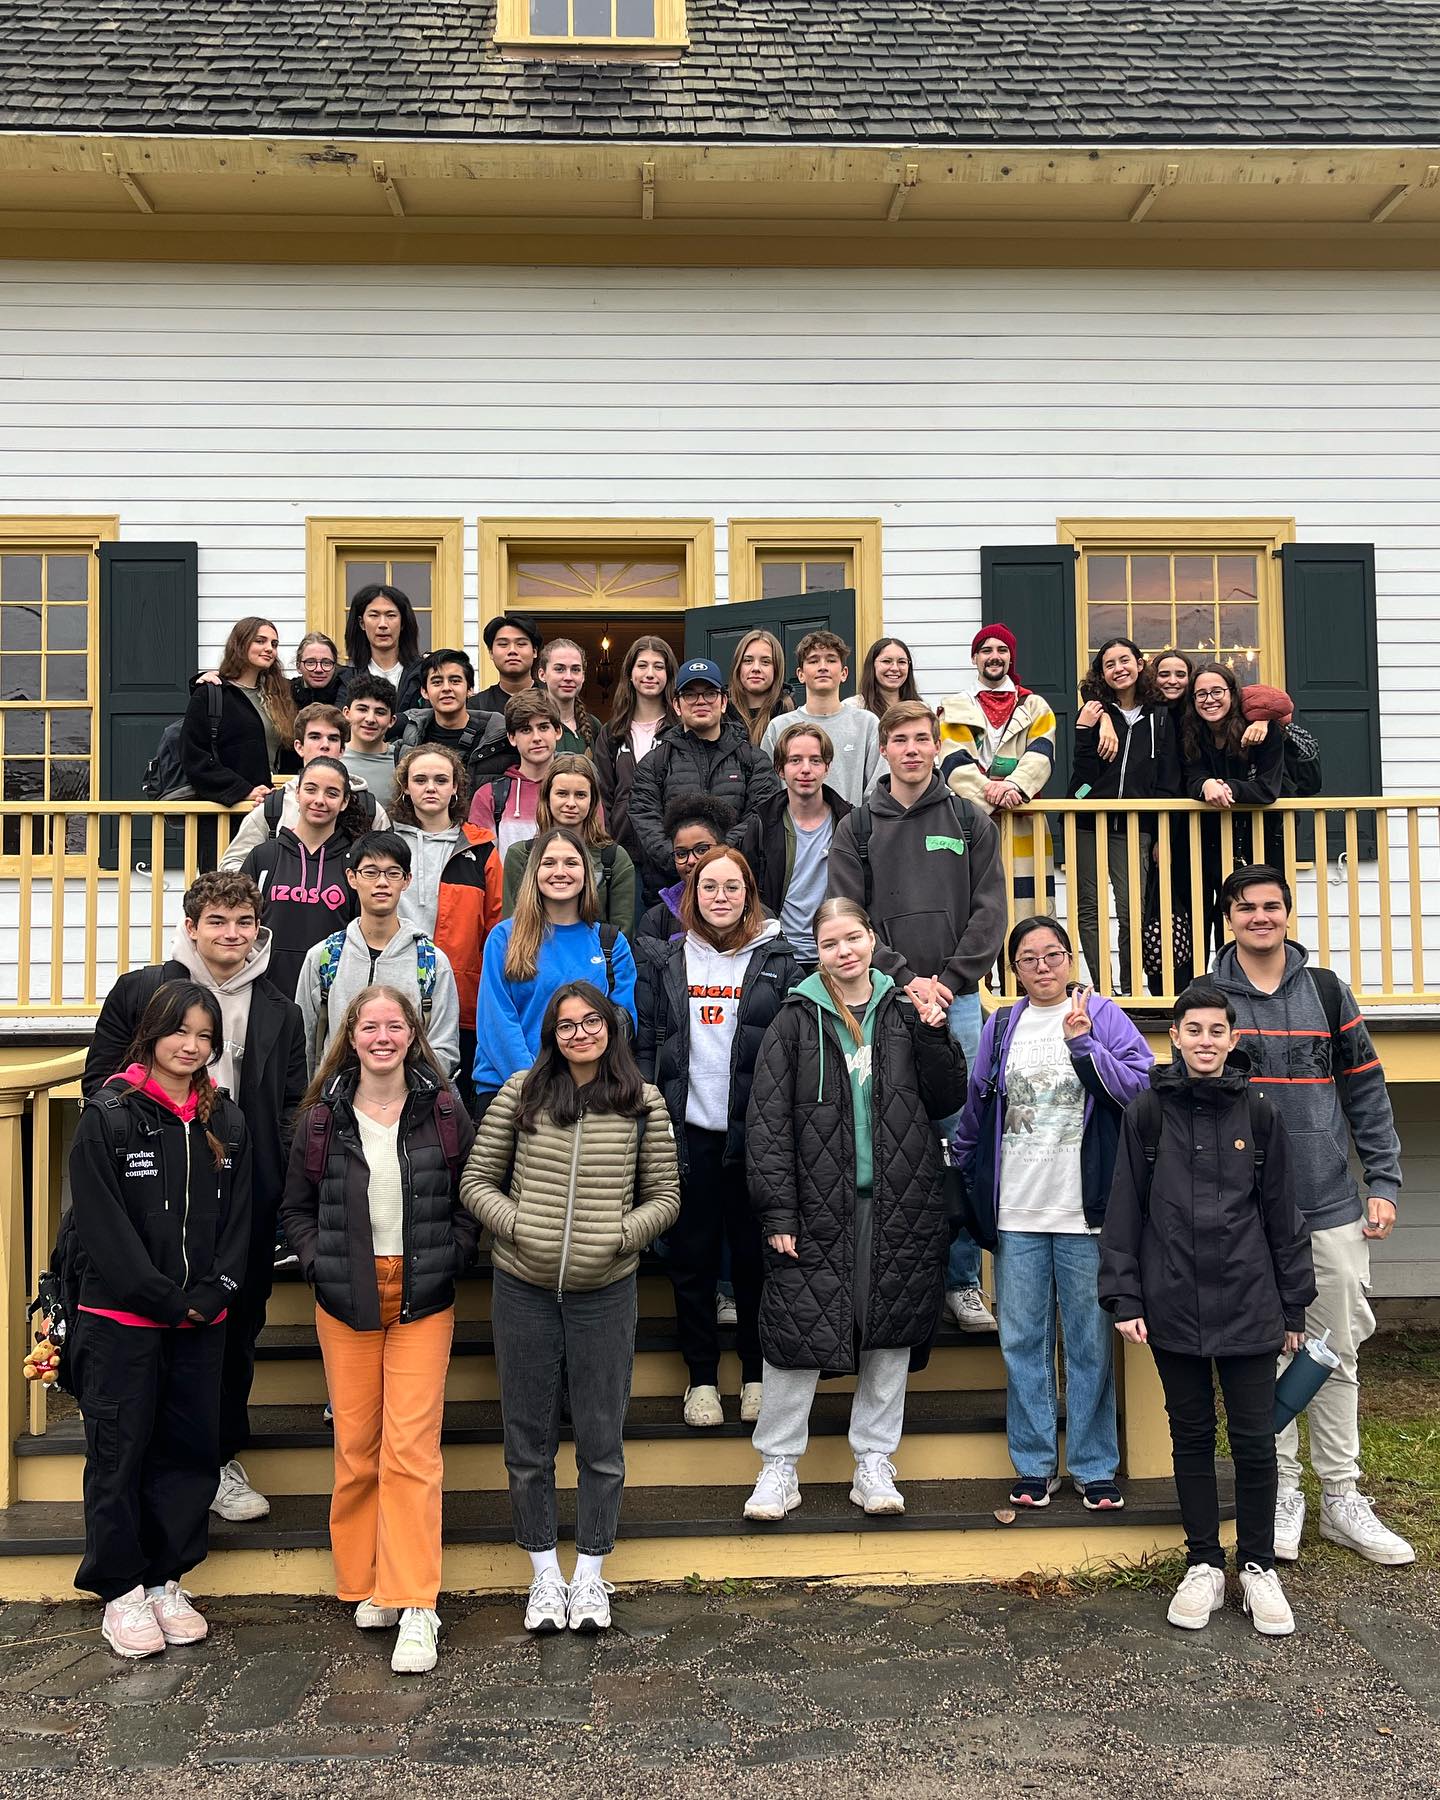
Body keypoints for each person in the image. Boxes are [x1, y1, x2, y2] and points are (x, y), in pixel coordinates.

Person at [82, 874, 304, 1526]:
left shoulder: (279, 1011)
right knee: (143, 1336)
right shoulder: (143, 990)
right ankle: (146, 1462)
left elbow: (292, 1106)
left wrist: (277, 1179)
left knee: (233, 1334)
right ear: (193, 925)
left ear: (257, 927)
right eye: (217, 921)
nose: (231, 934)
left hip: (239, 1198)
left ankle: (217, 1458)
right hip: (149, 1192)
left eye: (243, 921)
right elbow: (100, 1079)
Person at [461, 983, 680, 1634]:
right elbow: (475, 1182)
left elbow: (665, 1196)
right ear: (551, 1034)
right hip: (522, 1287)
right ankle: (544, 1579)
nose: (579, 1034)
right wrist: (519, 1226)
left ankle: (590, 1575)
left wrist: (619, 1236)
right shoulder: (521, 1092)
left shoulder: (644, 1103)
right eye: (565, 1025)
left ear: (612, 1028)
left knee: (601, 1441)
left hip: (606, 1291)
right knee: (527, 1442)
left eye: (591, 1023)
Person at [1210, 866, 1413, 1566]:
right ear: (1228, 917)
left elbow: (1366, 1092)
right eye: (1246, 908)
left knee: (1336, 1349)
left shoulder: (1327, 992)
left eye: (1271, 906)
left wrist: (1382, 1179)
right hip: (1245, 1214)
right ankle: (1283, 1492)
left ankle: (1342, 1496)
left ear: (1288, 914)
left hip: (1328, 1204)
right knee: (1265, 1354)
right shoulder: (1211, 1000)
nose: (1260, 917)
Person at [1100, 984, 1316, 1637]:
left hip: (1251, 1302)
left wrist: (1294, 1305)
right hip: (1172, 1302)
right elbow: (1125, 1212)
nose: (1204, 1041)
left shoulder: (1260, 1114)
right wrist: (1125, 1294)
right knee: (1190, 1436)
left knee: (1254, 1440)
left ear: (1231, 1037)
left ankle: (1255, 1567)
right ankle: (1202, 1564)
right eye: (1192, 1030)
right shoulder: (1147, 1114)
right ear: (1176, 1038)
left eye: (1215, 1030)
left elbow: (1283, 1214)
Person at [741, 898, 965, 1521]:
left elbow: (947, 1097)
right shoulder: (794, 1020)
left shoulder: (903, 1009)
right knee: (795, 1334)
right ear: (818, 949)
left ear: (872, 939)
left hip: (899, 1202)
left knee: (889, 1333)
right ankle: (778, 1467)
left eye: (854, 937)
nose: (845, 951)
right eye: (831, 941)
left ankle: (873, 1459)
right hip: (814, 1208)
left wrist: (933, 1032)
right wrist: (778, 1213)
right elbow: (765, 1126)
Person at [280, 985, 477, 1675]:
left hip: (423, 1290)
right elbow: (296, 1209)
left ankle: (416, 1599)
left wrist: (453, 1254)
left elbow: (469, 1196)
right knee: (357, 1445)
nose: (383, 1036)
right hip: (347, 1293)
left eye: (396, 1025)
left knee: (412, 1448)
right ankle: (368, 1580)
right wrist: (319, 1264)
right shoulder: (321, 1116)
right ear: (351, 1034)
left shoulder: (444, 1108)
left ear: (413, 1034)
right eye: (371, 1026)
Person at [69, 980, 252, 1659]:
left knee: (187, 1453)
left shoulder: (224, 1119)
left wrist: (217, 1289)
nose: (192, 1045)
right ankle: (120, 1591)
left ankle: (166, 1578)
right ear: (152, 1033)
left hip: (202, 1320)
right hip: (123, 1320)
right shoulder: (111, 1114)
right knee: (120, 1455)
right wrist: (161, 1297)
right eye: (181, 1031)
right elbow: (101, 1226)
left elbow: (242, 1218)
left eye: (205, 1035)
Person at [951, 916, 1152, 1511]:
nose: (1043, 966)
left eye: (1053, 954)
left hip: (1084, 1212)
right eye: (1029, 958)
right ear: (1012, 969)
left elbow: (1141, 1089)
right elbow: (977, 1103)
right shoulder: (1002, 1024)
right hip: (1017, 1209)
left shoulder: (1103, 1014)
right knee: (1021, 1340)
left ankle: (1094, 1468)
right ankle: (1035, 1466)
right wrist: (962, 1169)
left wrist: (1084, 1045)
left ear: (1071, 959)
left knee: (1089, 1343)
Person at [827, 700, 1006, 1332]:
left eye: (921, 739)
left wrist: (950, 982)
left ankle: (960, 1282)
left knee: (958, 1139)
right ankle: (882, 1275)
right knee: (882, 1133)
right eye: (898, 739)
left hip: (955, 1005)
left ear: (937, 746)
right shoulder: (857, 826)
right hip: (880, 999)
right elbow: (849, 916)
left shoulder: (967, 819)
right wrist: (904, 978)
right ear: (883, 750)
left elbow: (990, 912)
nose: (910, 749)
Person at [636, 847, 797, 1428]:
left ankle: (755, 1375)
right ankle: (701, 1377)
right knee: (693, 1261)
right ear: (693, 895)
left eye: (733, 887)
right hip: (689, 1134)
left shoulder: (779, 960)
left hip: (756, 1138)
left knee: (754, 1262)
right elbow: (650, 1044)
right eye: (710, 887)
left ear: (749, 893)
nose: (721, 897)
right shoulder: (667, 959)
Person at [472, 826, 637, 1119]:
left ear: (588, 874)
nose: (560, 871)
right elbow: (496, 1022)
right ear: (534, 872)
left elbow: (622, 1023)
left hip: (587, 1093)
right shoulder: (504, 938)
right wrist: (534, 1083)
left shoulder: (610, 943)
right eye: (549, 863)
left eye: (571, 863)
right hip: (510, 1089)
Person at [296, 831, 461, 1079]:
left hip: (409, 1106)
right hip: (335, 1105)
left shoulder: (432, 962)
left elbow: (444, 1047)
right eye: (370, 872)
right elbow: (305, 1043)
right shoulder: (324, 957)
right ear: (352, 878)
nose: (382, 882)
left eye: (393, 873)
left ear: (407, 881)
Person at [1070, 637, 1182, 995]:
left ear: (1138, 663)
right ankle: (1104, 989)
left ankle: (1133, 990)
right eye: (1109, 664)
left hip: (1135, 826)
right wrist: (1089, 727)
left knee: (1131, 909)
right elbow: (1082, 776)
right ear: (1102, 673)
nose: (1118, 669)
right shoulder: (1093, 712)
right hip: (1088, 823)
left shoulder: (1161, 717)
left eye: (1124, 660)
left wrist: (1161, 834)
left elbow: (1168, 780)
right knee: (1089, 908)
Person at [392, 746, 503, 1105]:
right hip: (392, 989)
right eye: (420, 780)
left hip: (460, 994)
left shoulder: (481, 847)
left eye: (442, 780)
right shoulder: (387, 843)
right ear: (405, 787)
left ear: (456, 788)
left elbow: (495, 923)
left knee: (450, 1104)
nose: (431, 788)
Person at [627, 657, 784, 901]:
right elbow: (645, 820)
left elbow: (760, 816)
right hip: (671, 895)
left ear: (723, 702)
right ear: (677, 705)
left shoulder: (753, 760)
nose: (700, 701)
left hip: (737, 892)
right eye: (690, 694)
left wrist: (717, 861)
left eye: (709, 693)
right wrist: (682, 860)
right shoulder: (654, 763)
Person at [939, 622, 1057, 910]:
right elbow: (954, 762)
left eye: (1002, 650)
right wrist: (992, 791)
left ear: (1010, 657)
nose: (994, 655)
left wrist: (1014, 787)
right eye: (986, 650)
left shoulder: (1035, 705)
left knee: (1030, 906)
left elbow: (1041, 754)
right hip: (971, 818)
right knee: (973, 903)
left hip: (1023, 816)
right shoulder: (954, 706)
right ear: (974, 658)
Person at [1180, 662, 1285, 957]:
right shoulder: (1193, 733)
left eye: (1217, 691)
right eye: (1200, 694)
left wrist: (1227, 788)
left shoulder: (1261, 730)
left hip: (1260, 839)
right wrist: (1205, 784)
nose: (1209, 699)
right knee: (1211, 916)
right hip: (1209, 840)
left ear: (1232, 693)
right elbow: (1191, 777)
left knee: (1253, 911)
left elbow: (1267, 789)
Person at [240, 756, 364, 998]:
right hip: (267, 992)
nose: (319, 800)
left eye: (332, 793)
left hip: (333, 993)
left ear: (344, 801)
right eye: (311, 789)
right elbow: (240, 922)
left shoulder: (356, 861)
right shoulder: (264, 856)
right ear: (297, 793)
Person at [220, 704, 389, 872]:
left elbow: (390, 866)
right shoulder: (274, 807)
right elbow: (231, 865)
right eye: (315, 737)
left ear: (342, 750)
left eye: (333, 738)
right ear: (299, 747)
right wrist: (270, 886)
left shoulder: (370, 808)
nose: (324, 745)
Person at [741, 722, 853, 967]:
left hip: (837, 957)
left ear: (827, 767)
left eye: (815, 760)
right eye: (795, 760)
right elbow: (748, 893)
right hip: (778, 956)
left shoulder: (849, 823)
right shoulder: (761, 825)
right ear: (780, 769)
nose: (805, 769)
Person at [501, 754, 636, 933]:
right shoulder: (520, 855)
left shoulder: (614, 858)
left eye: (580, 795)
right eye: (562, 794)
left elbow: (622, 934)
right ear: (547, 798)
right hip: (534, 956)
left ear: (592, 801)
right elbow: (512, 927)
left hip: (595, 957)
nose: (570, 803)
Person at [180, 616, 294, 808]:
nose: (270, 648)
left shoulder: (280, 696)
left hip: (267, 806)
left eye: (274, 644)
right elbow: (194, 756)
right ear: (240, 644)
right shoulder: (212, 693)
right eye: (260, 641)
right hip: (224, 811)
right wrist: (243, 790)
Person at [592, 635, 677, 884]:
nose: (650, 674)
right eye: (642, 665)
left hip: (672, 855)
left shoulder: (681, 730)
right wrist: (607, 846)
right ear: (630, 673)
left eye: (658, 666)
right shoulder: (612, 733)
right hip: (623, 854)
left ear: (669, 675)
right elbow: (602, 796)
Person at [761, 630, 879, 808]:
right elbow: (767, 790)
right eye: (814, 660)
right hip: (792, 832)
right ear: (800, 674)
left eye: (831, 660)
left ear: (844, 673)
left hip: (852, 831)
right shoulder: (779, 727)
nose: (823, 667)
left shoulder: (867, 724)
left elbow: (877, 790)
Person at [1142, 649, 1199, 994]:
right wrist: (1161, 836)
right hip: (1160, 828)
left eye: (1181, 674)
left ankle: (1194, 985)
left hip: (1193, 827)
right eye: (1165, 674)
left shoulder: (1197, 715)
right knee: (1160, 911)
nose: (1173, 681)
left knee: (1191, 909)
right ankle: (1165, 990)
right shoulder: (1152, 713)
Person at [391, 648, 510, 794]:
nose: (446, 688)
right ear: (424, 692)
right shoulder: (410, 737)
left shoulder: (500, 738)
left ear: (470, 689)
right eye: (437, 682)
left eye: (455, 681)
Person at [467, 689, 563, 859]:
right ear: (512, 737)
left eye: (543, 727)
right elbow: (481, 864)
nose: (536, 737)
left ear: (557, 731)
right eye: (526, 730)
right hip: (508, 885)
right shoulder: (489, 796)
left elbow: (593, 852)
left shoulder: (578, 790)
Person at [636, 793, 736, 947]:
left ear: (723, 849)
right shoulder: (656, 920)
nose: (691, 860)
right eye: (681, 854)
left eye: (702, 850)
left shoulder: (753, 913)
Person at [336, 583, 425, 717]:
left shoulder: (423, 674)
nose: (382, 624)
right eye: (374, 615)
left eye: (391, 615)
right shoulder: (347, 679)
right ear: (361, 623)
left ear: (403, 623)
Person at [340, 675, 400, 810]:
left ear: (392, 721)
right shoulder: (332, 756)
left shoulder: (403, 760)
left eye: (380, 712)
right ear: (347, 713)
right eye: (362, 709)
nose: (370, 719)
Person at [728, 629, 794, 747]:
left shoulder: (789, 716)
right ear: (738, 667)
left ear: (777, 669)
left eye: (765, 662)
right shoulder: (721, 714)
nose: (756, 668)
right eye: (748, 661)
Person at [538, 638, 603, 755]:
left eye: (575, 669)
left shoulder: (594, 726)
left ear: (583, 676)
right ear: (542, 675)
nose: (568, 677)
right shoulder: (531, 724)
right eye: (559, 669)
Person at [476, 612, 543, 715]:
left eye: (521, 644)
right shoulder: (476, 706)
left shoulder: (554, 699)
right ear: (491, 652)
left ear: (534, 651)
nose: (512, 650)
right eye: (503, 644)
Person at [845, 636, 921, 719]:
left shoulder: (921, 709)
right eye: (886, 661)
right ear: (872, 665)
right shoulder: (852, 709)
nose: (895, 668)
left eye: (902, 662)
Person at [289, 632, 346, 712]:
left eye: (326, 663)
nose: (319, 669)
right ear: (298, 666)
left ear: (335, 666)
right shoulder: (286, 694)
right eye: (310, 662)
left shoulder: (346, 694)